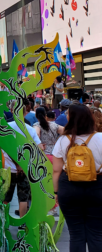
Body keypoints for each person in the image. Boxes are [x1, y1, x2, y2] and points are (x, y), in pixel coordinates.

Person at [52, 104, 102, 252]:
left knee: (76, 234)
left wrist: (56, 192)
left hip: (69, 188)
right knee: (97, 234)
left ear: (71, 119)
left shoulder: (63, 140)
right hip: (97, 187)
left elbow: (56, 170)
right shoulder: (100, 138)